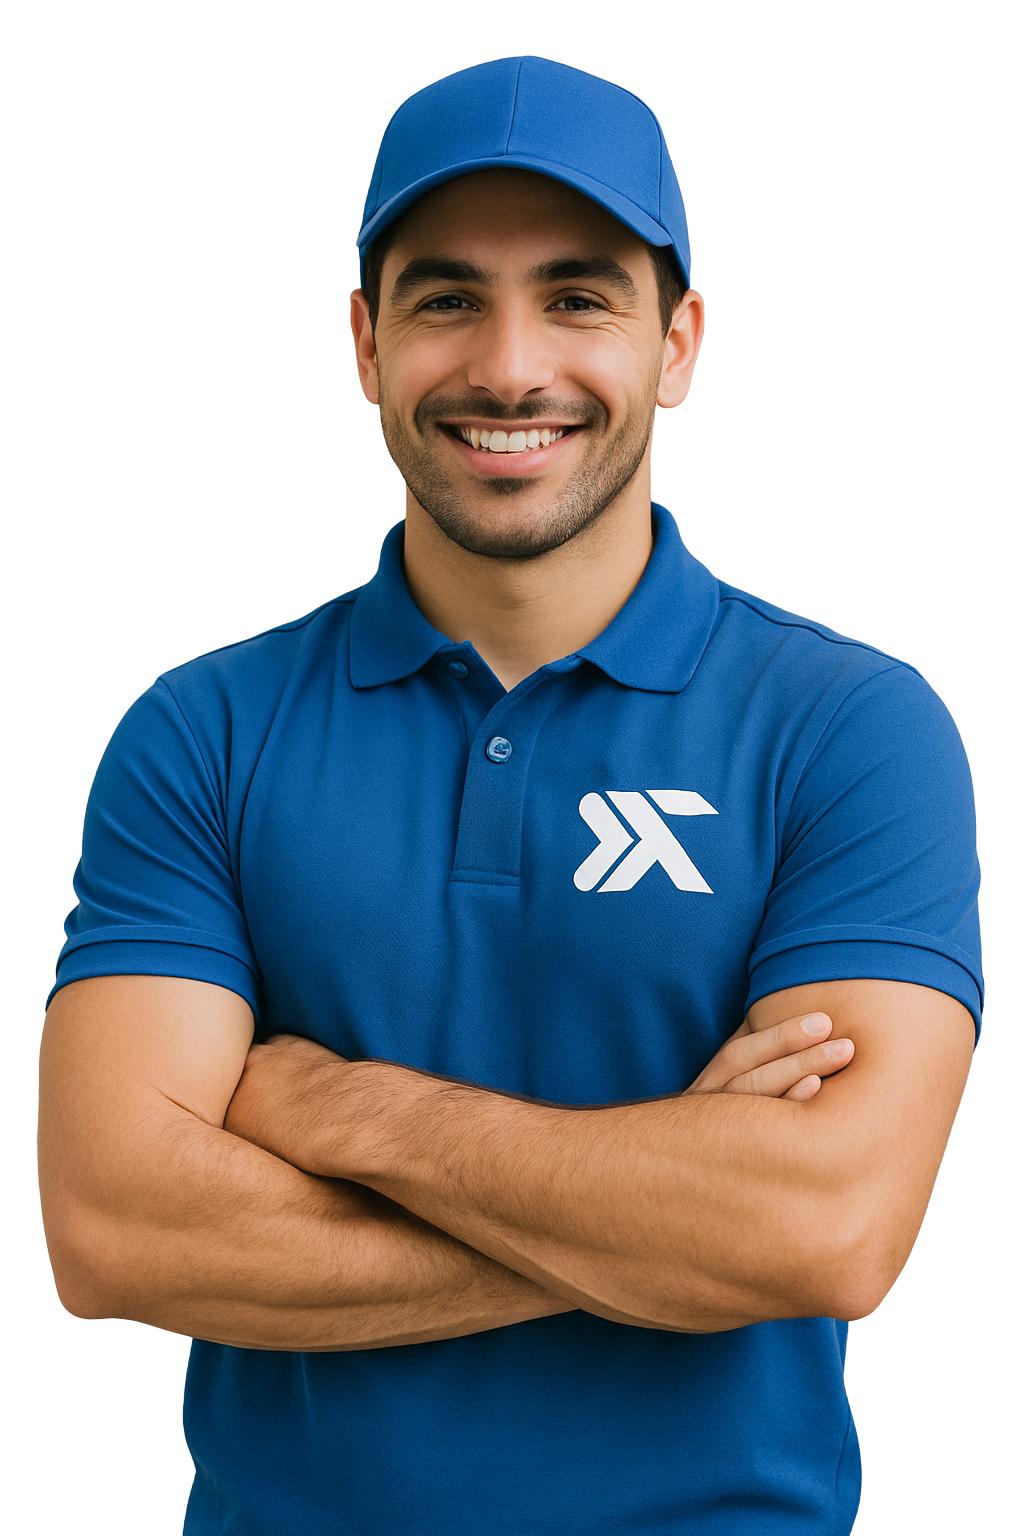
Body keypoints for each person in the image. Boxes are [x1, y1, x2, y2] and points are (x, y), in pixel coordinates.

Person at [36, 57, 981, 1535]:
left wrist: (346, 1111)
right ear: (362, 347)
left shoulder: (850, 730)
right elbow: (109, 1229)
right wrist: (667, 1209)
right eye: (445, 299)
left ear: (680, 345)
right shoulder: (198, 735)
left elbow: (829, 1231)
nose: (511, 365)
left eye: (579, 296)